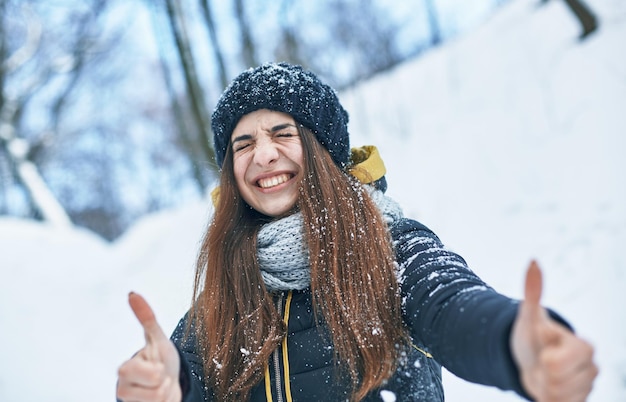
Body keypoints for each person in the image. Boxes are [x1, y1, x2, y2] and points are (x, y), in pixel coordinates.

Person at [116, 62, 598, 402]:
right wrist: (166, 387)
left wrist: (513, 345)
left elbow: (449, 303)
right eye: (243, 145)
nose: (263, 155)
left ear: (324, 153)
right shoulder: (225, 287)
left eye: (284, 134)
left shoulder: (389, 246)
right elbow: (183, 380)